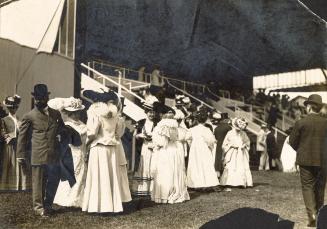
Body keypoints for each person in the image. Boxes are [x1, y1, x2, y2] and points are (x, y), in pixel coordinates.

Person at [16, 84, 66, 217]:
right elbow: (22, 136)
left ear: (47, 97)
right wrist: (20, 154)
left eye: (41, 98)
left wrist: (63, 136)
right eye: (36, 98)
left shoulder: (56, 114)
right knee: (38, 182)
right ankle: (39, 208)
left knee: (53, 180)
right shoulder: (29, 116)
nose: (38, 101)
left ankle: (48, 205)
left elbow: (62, 129)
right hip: (38, 154)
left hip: (53, 154)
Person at [82, 92, 128, 213]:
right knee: (110, 176)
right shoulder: (116, 115)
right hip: (112, 147)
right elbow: (119, 133)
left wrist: (86, 144)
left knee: (99, 176)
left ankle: (99, 206)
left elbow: (92, 132)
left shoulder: (95, 112)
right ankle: (111, 206)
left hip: (99, 147)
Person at [289, 94, 327, 227]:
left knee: (307, 188)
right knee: (320, 188)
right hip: (323, 160)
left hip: (305, 160)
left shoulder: (301, 122)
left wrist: (302, 149)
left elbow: (292, 142)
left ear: (309, 107)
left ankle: (312, 217)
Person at [49, 98, 88, 208]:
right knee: (74, 174)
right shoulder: (67, 125)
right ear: (69, 113)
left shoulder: (81, 124)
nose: (76, 115)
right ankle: (70, 198)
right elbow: (72, 140)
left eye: (78, 113)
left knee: (82, 174)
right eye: (73, 113)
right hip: (72, 153)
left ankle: (81, 198)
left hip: (83, 152)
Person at [150, 105, 190, 203]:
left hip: (165, 151)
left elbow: (161, 142)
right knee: (173, 171)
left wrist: (153, 145)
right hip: (174, 150)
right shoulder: (174, 126)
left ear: (161, 115)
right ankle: (174, 192)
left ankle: (165, 195)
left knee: (165, 172)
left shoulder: (161, 126)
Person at [0, 95, 29, 191]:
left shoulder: (19, 120)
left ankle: (20, 185)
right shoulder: (4, 120)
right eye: (11, 107)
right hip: (9, 146)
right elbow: (3, 132)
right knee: (9, 163)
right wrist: (9, 137)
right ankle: (7, 185)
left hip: (18, 145)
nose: (14, 109)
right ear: (8, 108)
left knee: (19, 163)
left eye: (15, 107)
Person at [186, 110, 219, 190]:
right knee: (205, 164)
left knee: (196, 165)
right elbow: (210, 140)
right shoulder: (206, 129)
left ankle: (196, 183)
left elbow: (187, 138)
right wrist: (210, 146)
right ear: (205, 119)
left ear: (197, 120)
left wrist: (191, 144)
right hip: (204, 148)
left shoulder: (192, 129)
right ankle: (205, 183)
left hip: (195, 148)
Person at [220, 118, 253, 190]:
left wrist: (244, 145)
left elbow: (247, 142)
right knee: (231, 166)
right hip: (232, 152)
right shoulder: (230, 133)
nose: (239, 129)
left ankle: (241, 182)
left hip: (241, 153)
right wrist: (230, 146)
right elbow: (224, 144)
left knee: (241, 166)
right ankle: (228, 182)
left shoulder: (243, 134)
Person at [133, 102, 156, 196]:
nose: (151, 114)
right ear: (146, 112)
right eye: (149, 112)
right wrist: (141, 136)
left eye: (153, 112)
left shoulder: (157, 123)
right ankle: (143, 188)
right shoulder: (141, 122)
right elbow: (135, 135)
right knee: (144, 166)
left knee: (152, 166)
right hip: (144, 147)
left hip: (154, 147)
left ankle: (152, 188)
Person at [213, 113, 231, 178]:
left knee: (218, 159)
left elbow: (215, 137)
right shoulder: (228, 127)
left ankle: (218, 174)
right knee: (226, 159)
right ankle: (226, 175)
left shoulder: (217, 127)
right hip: (226, 145)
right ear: (226, 119)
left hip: (218, 145)